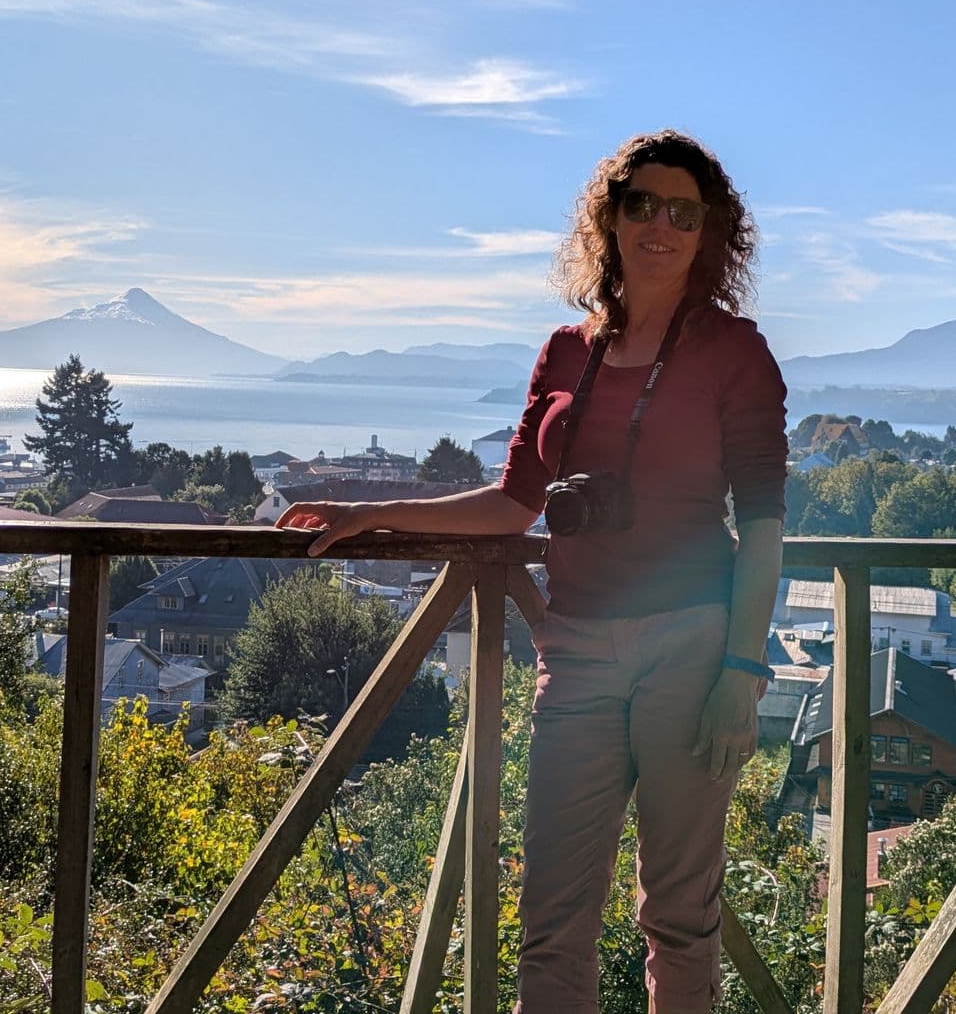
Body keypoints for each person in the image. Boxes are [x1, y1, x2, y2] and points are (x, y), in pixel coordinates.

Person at [278, 129, 787, 1013]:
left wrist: (743, 671)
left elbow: (767, 521)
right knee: (553, 916)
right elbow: (515, 502)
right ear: (610, 217)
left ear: (710, 234)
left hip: (694, 648)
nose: (661, 225)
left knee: (678, 912)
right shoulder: (563, 352)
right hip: (578, 648)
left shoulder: (734, 351)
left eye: (684, 212)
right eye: (643, 205)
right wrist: (375, 513)